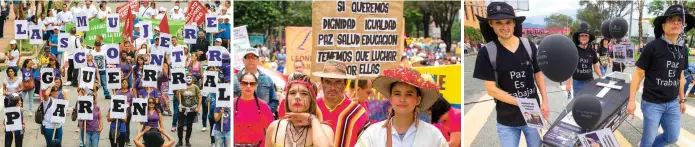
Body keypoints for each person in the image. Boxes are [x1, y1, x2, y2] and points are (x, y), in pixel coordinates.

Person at [472, 2, 549, 147]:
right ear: (491, 24)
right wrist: (521, 102)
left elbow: (538, 74)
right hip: (506, 119)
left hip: (533, 113)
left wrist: (545, 101)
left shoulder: (528, 46)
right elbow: (491, 89)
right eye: (498, 22)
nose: (504, 27)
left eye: (508, 22)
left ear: (514, 23)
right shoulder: (487, 52)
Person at [626, 4, 690, 147]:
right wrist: (631, 101)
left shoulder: (683, 49)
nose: (676, 22)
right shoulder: (653, 47)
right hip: (652, 103)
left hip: (673, 103)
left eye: (679, 20)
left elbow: (680, 76)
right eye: (671, 19)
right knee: (647, 141)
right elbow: (638, 74)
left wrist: (682, 100)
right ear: (663, 26)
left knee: (672, 137)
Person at [356, 67, 447, 146]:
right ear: (390, 98)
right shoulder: (372, 133)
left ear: (418, 100)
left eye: (409, 94)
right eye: (397, 94)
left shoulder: (433, 135)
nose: (402, 99)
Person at [309, 60, 369, 147]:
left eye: (338, 82)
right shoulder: (311, 108)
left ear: (345, 83)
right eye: (328, 82)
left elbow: (366, 143)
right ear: (322, 82)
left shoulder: (358, 113)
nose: (332, 87)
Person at [264, 73, 334, 147]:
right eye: (292, 93)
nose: (297, 97)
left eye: (304, 93)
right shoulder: (274, 127)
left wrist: (312, 119)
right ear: (287, 98)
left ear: (312, 100)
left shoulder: (325, 130)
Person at [233, 48, 279, 117]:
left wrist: (263, 113)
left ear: (258, 60)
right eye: (248, 57)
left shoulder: (267, 79)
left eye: (254, 57)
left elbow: (274, 101)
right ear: (243, 60)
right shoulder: (235, 79)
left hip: (262, 123)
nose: (250, 60)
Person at [234, 72, 274, 146]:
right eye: (245, 83)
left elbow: (271, 130)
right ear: (240, 84)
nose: (248, 86)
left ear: (256, 85)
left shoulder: (263, 105)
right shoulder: (232, 104)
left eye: (252, 84)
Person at [565, 22, 602, 98]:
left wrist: (602, 77)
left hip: (590, 81)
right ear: (579, 38)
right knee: (578, 103)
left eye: (586, 36)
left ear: (589, 38)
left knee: (589, 102)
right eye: (582, 36)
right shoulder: (573, 50)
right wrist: (568, 84)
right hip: (577, 82)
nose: (584, 37)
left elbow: (596, 67)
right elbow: (569, 68)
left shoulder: (592, 51)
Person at [176, 75, 202, 146]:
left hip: (192, 109)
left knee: (189, 125)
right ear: (185, 79)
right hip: (183, 109)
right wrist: (178, 94)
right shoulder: (181, 87)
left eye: (190, 78)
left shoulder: (195, 87)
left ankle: (187, 140)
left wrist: (198, 107)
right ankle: (180, 140)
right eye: (187, 78)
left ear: (192, 79)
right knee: (180, 125)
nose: (189, 79)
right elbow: (179, 99)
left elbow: (200, 97)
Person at [115, 79, 135, 146]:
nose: (124, 84)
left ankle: (127, 140)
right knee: (118, 126)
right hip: (119, 112)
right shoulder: (117, 92)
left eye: (125, 83)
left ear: (128, 84)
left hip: (127, 112)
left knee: (126, 126)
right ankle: (117, 139)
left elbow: (133, 102)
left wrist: (129, 103)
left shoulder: (131, 92)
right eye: (122, 83)